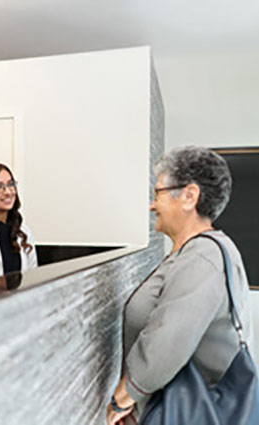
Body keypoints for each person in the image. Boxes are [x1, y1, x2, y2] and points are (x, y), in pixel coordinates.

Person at [106, 146, 253, 424]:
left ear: (189, 196)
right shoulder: (198, 252)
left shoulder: (203, 257)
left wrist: (122, 399)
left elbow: (166, 342)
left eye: (158, 193)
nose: (152, 205)